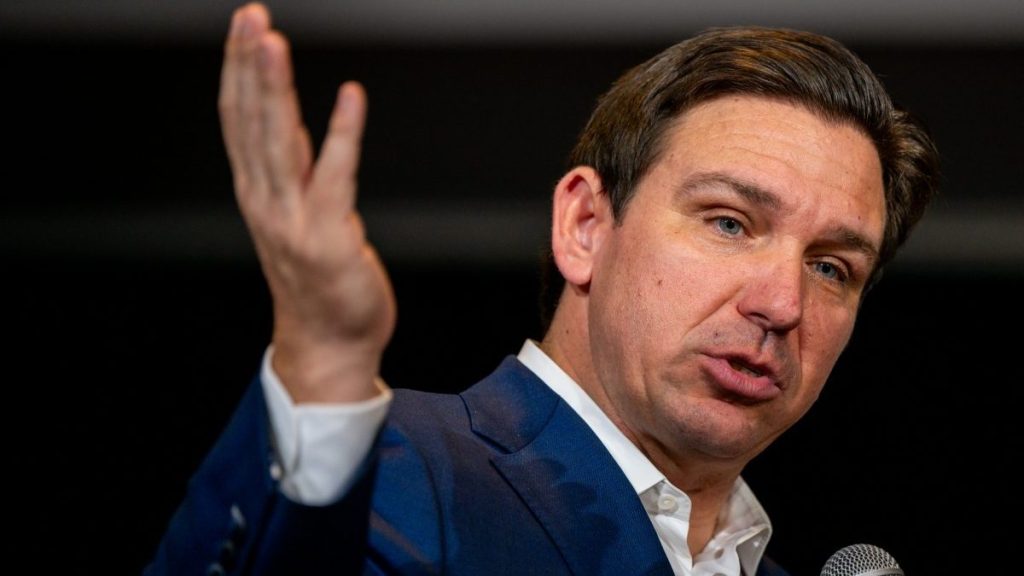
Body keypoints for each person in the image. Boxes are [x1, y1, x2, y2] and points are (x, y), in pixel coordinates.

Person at [144, 2, 940, 575]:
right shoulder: (400, 471)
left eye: (832, 267)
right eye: (729, 223)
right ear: (586, 225)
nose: (781, 303)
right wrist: (321, 364)